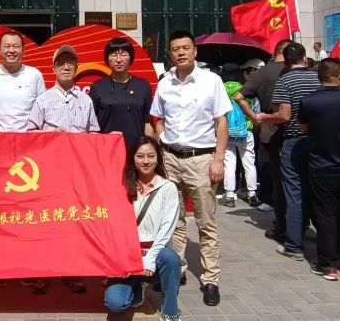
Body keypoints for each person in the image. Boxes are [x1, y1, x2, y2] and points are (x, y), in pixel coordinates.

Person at [149, 30, 230, 307]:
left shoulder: (211, 81)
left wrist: (218, 159)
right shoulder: (165, 83)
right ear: (170, 54)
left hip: (201, 159)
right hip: (171, 158)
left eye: (185, 48)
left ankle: (211, 279)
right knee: (174, 220)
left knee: (206, 222)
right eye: (175, 49)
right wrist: (161, 138)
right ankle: (178, 268)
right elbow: (157, 117)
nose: (180, 53)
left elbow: (221, 121)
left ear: (195, 51)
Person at [25, 45, 98, 295]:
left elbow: (94, 133)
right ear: (54, 68)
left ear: (76, 68)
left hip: (77, 173)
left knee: (73, 222)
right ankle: (42, 273)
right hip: (48, 173)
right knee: (45, 222)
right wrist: (50, 135)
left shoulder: (86, 100)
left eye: (70, 63)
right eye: (61, 63)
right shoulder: (43, 99)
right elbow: (30, 133)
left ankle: (72, 272)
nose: (66, 67)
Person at [299, 58, 340, 280]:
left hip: (322, 163)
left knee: (325, 213)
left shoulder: (309, 101)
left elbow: (303, 127)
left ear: (319, 76)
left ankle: (327, 264)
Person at [103, 137, 182, 321]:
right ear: (132, 158)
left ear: (158, 158)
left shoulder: (168, 188)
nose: (145, 161)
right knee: (115, 304)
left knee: (171, 258)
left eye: (150, 156)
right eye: (140, 156)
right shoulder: (121, 187)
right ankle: (136, 290)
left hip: (155, 255)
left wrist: (150, 260)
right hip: (126, 257)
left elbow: (167, 229)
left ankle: (171, 311)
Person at [259, 42, 320, 260]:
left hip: (293, 139)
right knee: (316, 190)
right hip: (318, 140)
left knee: (294, 192)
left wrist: (266, 117)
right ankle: (323, 238)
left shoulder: (285, 80)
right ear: (305, 56)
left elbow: (284, 115)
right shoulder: (317, 77)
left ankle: (294, 244)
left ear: (285, 61)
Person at [234, 39, 292, 227]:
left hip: (270, 128)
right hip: (299, 130)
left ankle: (281, 219)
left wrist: (254, 117)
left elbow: (239, 97)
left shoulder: (263, 72)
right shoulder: (301, 72)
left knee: (275, 174)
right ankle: (298, 219)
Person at [91, 38, 154, 154]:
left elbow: (147, 122)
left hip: (137, 152)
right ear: (107, 59)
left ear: (131, 57)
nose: (119, 60)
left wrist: (149, 149)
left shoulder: (143, 86)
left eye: (123, 54)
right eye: (114, 54)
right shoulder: (98, 87)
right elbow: (91, 125)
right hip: (107, 150)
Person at [0, 32, 46, 133]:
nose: (11, 51)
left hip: (28, 137)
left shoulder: (34, 74)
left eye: (16, 46)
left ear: (23, 51)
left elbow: (43, 107)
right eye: (7, 46)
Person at [220, 63, 259, 208]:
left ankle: (230, 195)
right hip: (245, 130)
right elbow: (253, 107)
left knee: (229, 162)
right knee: (249, 162)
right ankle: (252, 194)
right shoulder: (245, 88)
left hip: (227, 130)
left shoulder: (220, 89)